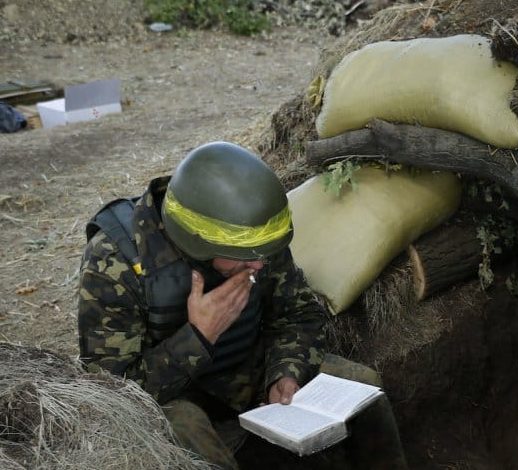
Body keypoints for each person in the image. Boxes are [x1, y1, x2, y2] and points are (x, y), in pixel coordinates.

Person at [77, 141, 408, 469]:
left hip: (249, 367)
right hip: (174, 396)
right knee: (189, 434)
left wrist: (286, 372)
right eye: (246, 260)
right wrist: (198, 336)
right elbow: (113, 394)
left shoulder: (250, 236)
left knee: (363, 386)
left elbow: (299, 313)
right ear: (199, 242)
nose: (259, 267)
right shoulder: (115, 260)